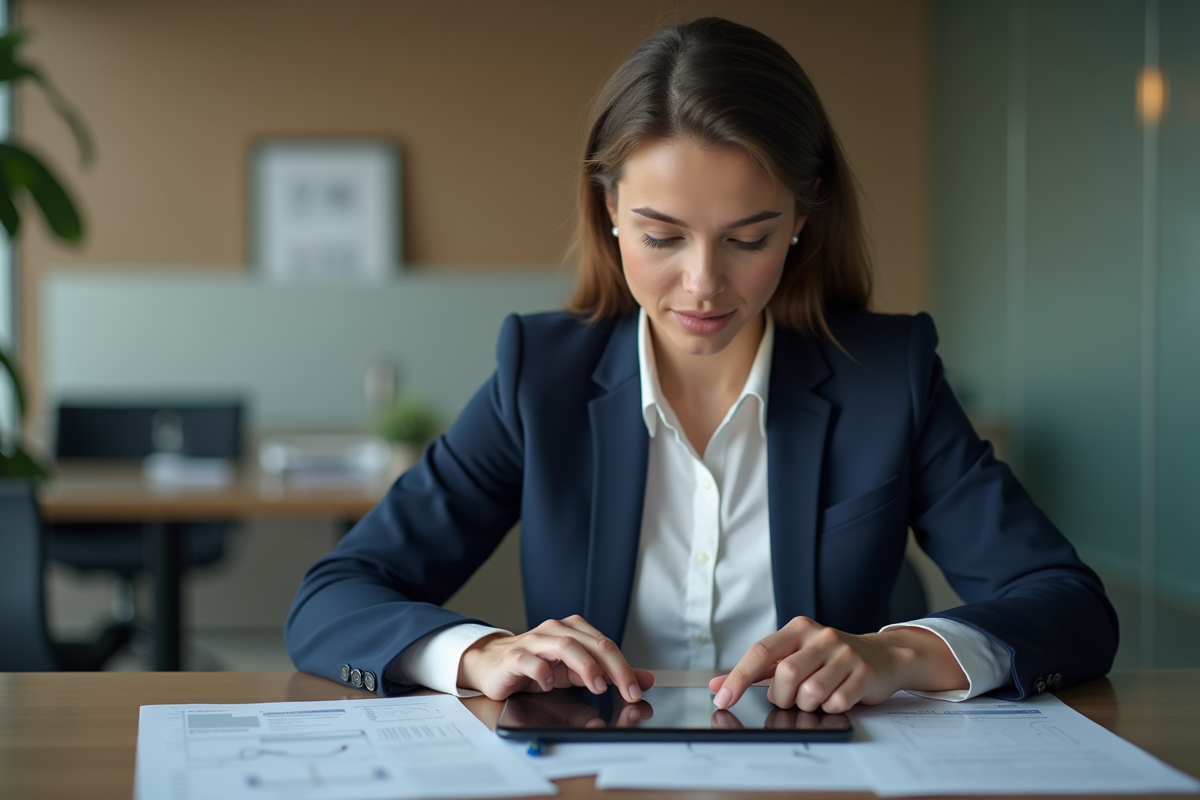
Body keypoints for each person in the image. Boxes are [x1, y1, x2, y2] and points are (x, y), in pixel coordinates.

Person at [286, 17, 1118, 714]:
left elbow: (1069, 606)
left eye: (749, 238)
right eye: (661, 236)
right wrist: (482, 653)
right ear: (610, 210)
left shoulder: (886, 375)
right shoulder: (539, 374)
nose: (703, 285)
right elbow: (334, 598)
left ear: (802, 216)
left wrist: (897, 654)